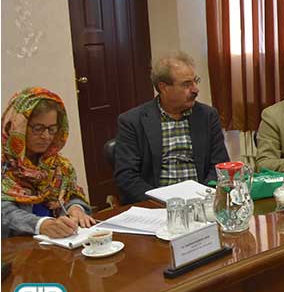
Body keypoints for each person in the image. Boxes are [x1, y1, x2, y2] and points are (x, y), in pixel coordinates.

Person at [114, 51, 229, 203]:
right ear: (163, 87)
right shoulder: (132, 121)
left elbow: (220, 166)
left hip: (201, 202)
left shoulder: (207, 116)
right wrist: (163, 203)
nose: (195, 89)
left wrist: (204, 199)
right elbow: (126, 177)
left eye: (195, 81)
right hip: (157, 205)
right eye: (186, 84)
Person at [1, 88, 96, 238]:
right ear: (17, 126)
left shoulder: (59, 165)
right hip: (17, 247)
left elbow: (72, 195)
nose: (46, 136)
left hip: (61, 242)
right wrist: (42, 225)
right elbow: (4, 213)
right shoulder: (4, 166)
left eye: (52, 129)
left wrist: (76, 208)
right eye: (38, 128)